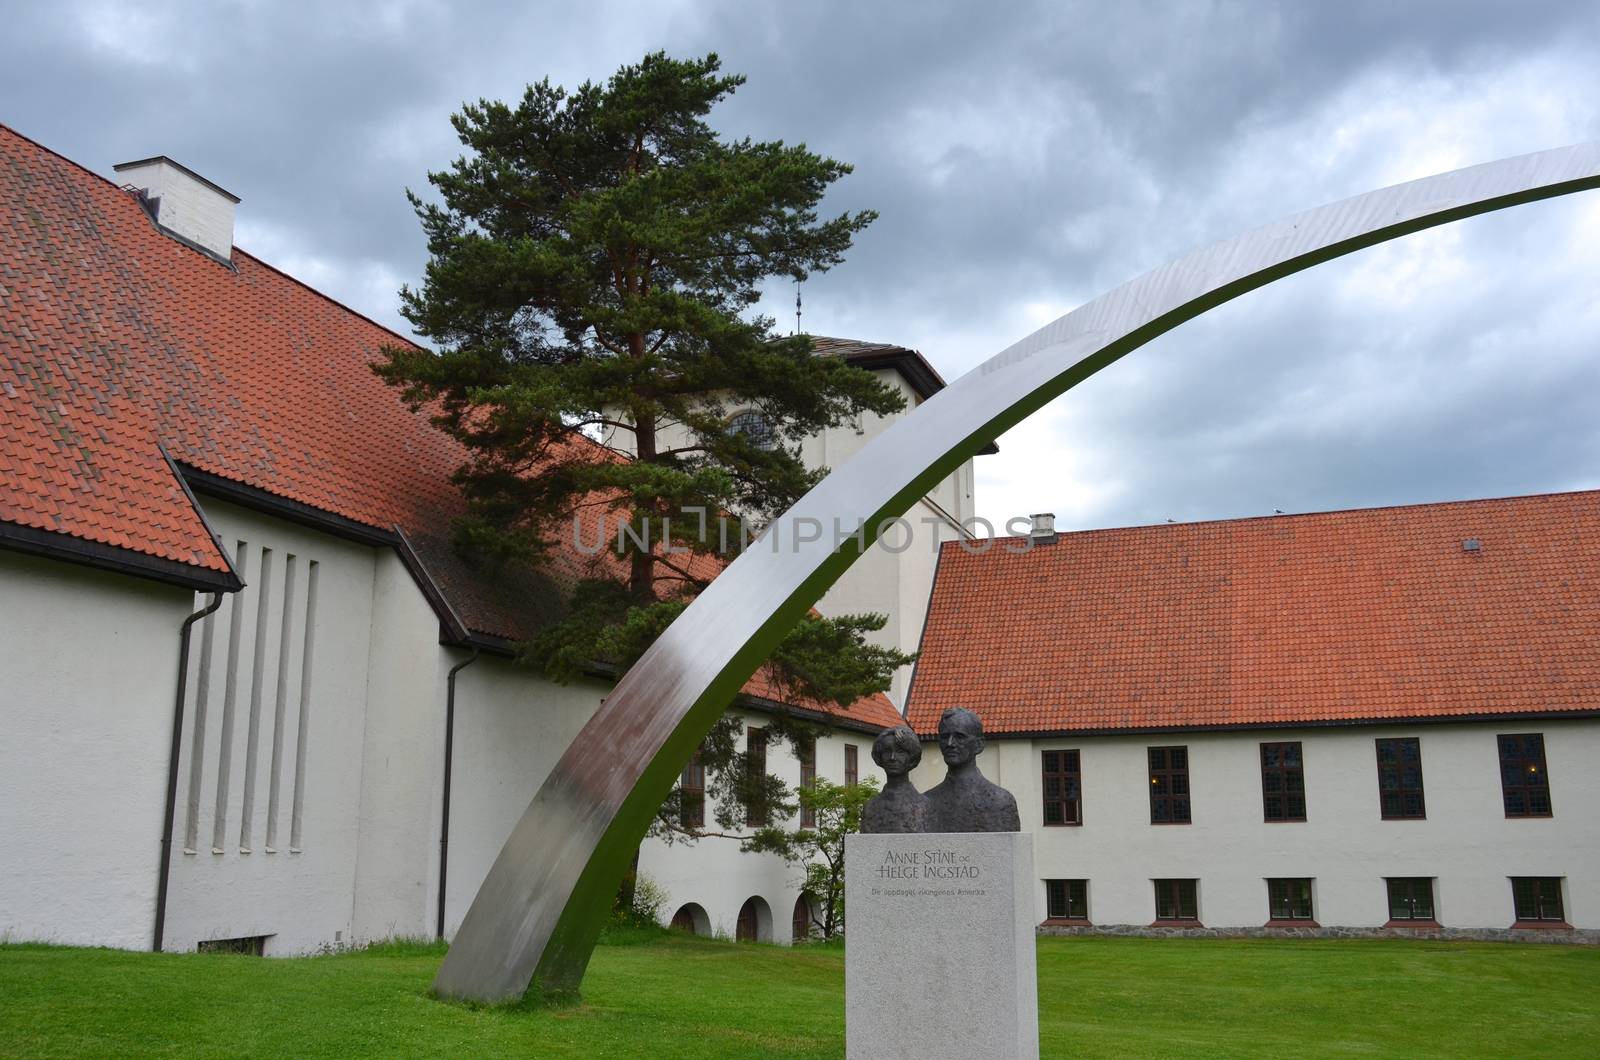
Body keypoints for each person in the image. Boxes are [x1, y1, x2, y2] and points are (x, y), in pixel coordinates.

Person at [924, 707, 1020, 832]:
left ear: (979, 745)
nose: (950, 743)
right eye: (945, 736)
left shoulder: (1001, 802)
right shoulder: (926, 803)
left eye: (960, 737)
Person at [860, 725, 930, 833]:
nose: (892, 757)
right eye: (887, 751)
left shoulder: (925, 806)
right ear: (880, 756)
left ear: (911, 757)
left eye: (900, 752)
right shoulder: (870, 808)